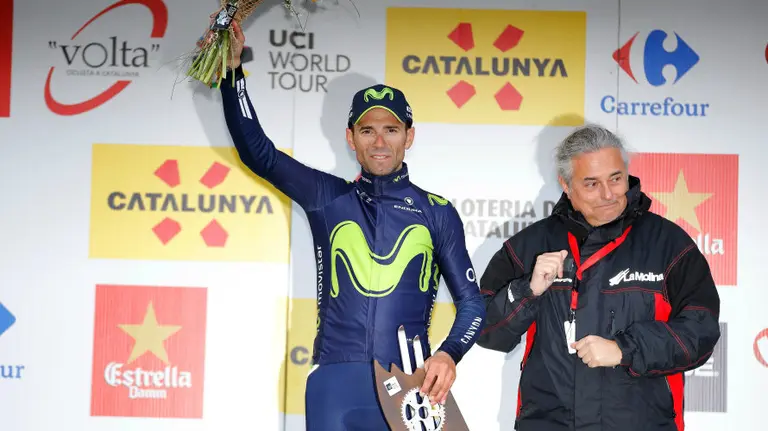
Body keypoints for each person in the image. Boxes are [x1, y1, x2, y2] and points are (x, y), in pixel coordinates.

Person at [218, 21, 486, 430]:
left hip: (410, 389)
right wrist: (232, 72)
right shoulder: (327, 197)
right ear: (351, 137)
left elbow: (472, 304)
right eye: (367, 131)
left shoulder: (436, 211)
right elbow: (259, 154)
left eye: (391, 130)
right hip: (334, 386)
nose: (379, 143)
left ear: (409, 136)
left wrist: (449, 354)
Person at [476, 124, 721, 431]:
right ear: (566, 184)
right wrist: (528, 290)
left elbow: (701, 332)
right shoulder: (531, 245)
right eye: (591, 184)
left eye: (616, 179)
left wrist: (625, 349)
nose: (608, 194)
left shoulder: (669, 244)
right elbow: (486, 330)